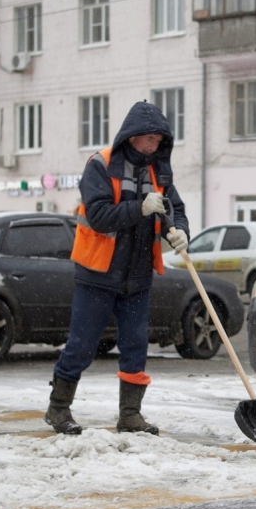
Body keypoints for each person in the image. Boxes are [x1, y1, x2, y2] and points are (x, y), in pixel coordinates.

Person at [45, 101, 190, 436]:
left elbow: (175, 208)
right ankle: (58, 409)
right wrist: (139, 208)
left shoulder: (159, 171)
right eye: (148, 138)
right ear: (132, 136)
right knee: (82, 345)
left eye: (159, 138)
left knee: (136, 346)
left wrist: (180, 230)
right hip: (98, 272)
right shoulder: (101, 164)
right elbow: (97, 214)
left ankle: (130, 415)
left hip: (137, 277)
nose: (154, 144)